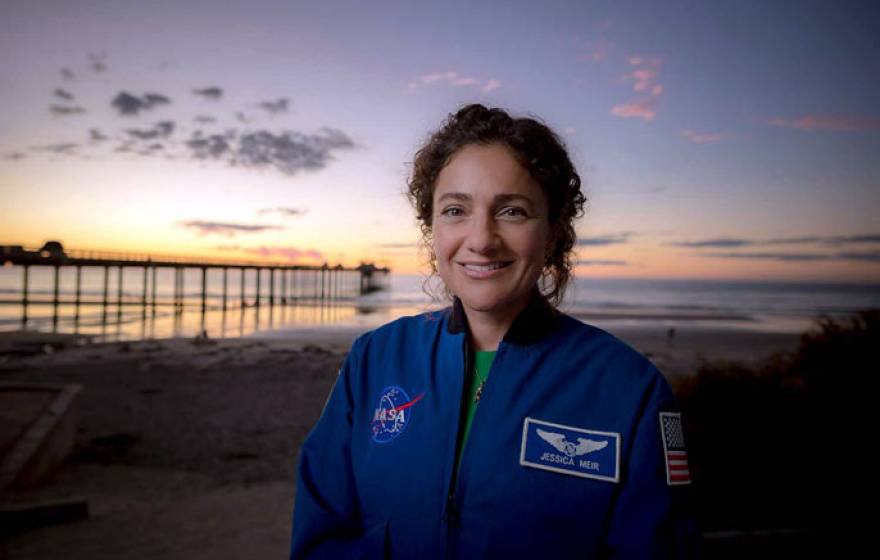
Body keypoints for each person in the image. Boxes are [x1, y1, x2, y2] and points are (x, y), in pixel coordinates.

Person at [289, 104, 702, 558]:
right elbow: (320, 540)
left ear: (553, 232)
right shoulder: (374, 359)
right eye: (455, 210)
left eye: (512, 211)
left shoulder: (631, 390)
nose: (482, 239)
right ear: (432, 230)